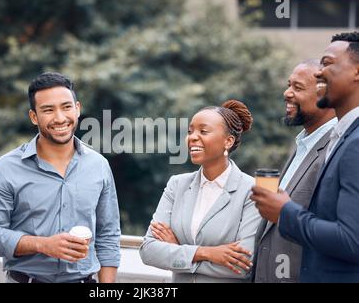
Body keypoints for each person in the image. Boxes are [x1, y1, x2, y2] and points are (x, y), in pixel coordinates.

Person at [0, 72, 121, 283]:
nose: (60, 118)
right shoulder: (4, 169)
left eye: (66, 107)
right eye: (48, 110)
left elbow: (108, 234)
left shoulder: (98, 165)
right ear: (34, 116)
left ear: (78, 109)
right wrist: (42, 244)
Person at [251, 32, 359, 283]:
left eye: (328, 63)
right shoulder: (339, 138)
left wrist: (284, 212)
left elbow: (352, 240)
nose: (320, 73)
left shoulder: (354, 143)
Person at [140, 100, 261, 283]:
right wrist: (207, 253)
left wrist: (179, 250)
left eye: (203, 131)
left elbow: (242, 264)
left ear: (228, 141)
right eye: (190, 131)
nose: (192, 137)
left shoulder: (252, 191)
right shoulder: (177, 185)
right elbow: (148, 250)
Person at [252, 60, 337, 283]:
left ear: (326, 96)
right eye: (289, 85)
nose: (287, 93)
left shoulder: (335, 149)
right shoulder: (303, 144)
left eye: (297, 88)